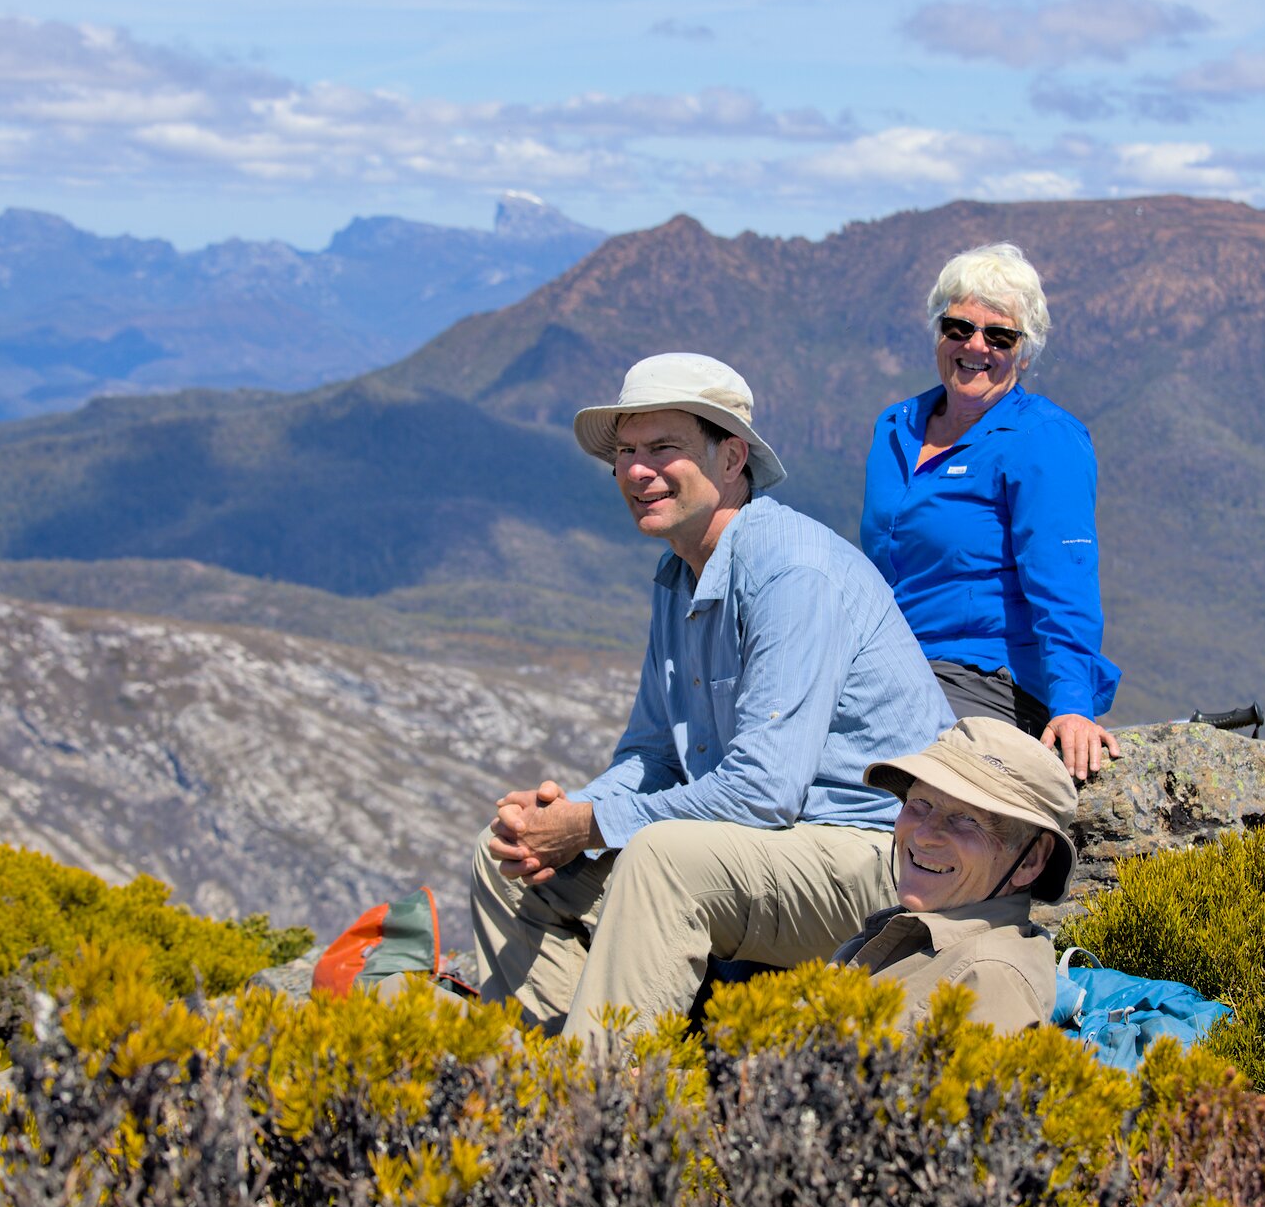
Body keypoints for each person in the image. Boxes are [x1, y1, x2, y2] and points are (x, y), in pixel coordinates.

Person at [472, 352, 956, 1046]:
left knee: (661, 859)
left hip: (880, 854)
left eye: (664, 447)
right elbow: (650, 757)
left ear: (732, 458)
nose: (638, 471)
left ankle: (606, 1112)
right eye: (627, 452)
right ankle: (566, 1061)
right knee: (505, 860)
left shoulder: (789, 571)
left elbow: (763, 792)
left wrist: (588, 825)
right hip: (776, 849)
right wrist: (558, 816)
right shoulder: (678, 578)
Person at [859, 242, 1123, 781]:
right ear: (938, 332)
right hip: (892, 667)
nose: (975, 346)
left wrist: (1073, 703)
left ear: (1024, 353)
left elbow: (1065, 579)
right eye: (958, 327)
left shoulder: (1044, 440)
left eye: (999, 336)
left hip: (985, 678)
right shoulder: (897, 426)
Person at [831, 716, 1076, 1032]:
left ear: (1030, 859)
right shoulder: (915, 935)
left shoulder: (985, 981)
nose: (924, 835)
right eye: (920, 803)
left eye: (967, 819)